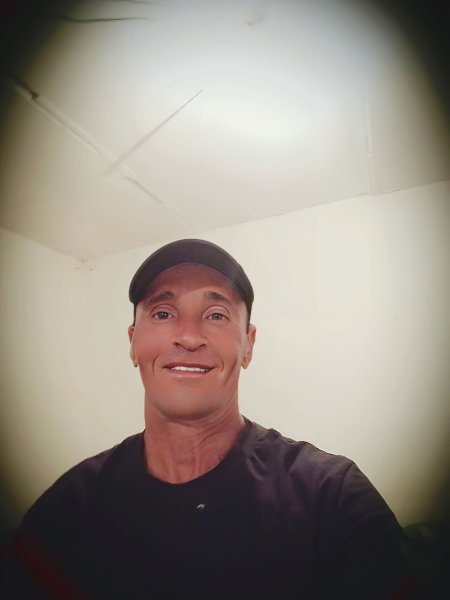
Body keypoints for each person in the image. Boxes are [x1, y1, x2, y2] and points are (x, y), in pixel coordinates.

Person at [3, 239, 407, 599]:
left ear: (248, 345)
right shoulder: (68, 511)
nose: (189, 337)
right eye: (163, 313)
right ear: (132, 342)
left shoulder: (331, 498)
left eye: (216, 315)